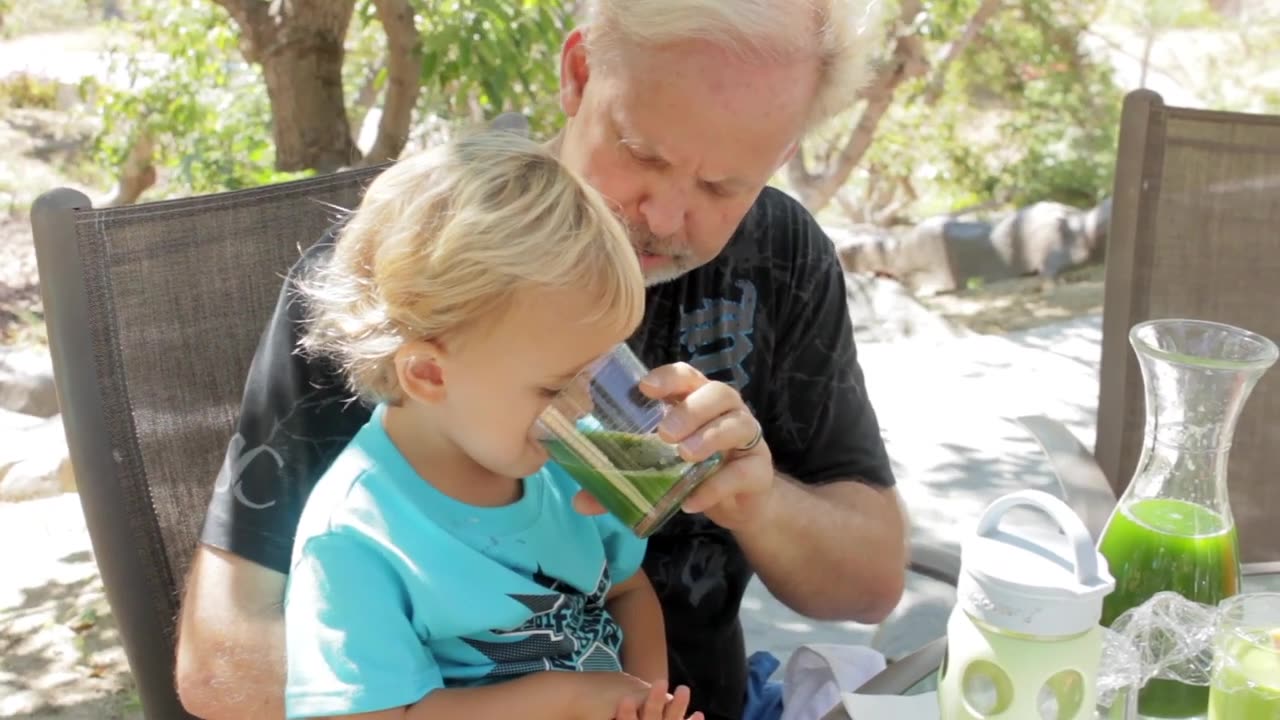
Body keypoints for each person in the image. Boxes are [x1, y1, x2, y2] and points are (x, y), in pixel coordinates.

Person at [176, 1, 910, 718]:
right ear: (580, 73)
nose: (663, 218)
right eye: (642, 152)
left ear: (781, 157)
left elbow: (870, 588)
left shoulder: (779, 255)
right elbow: (223, 666)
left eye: (723, 186)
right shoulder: (406, 298)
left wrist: (759, 501)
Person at [280, 131, 700, 720]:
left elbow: (627, 590)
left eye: (598, 373)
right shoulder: (356, 539)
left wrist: (644, 697)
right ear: (429, 373)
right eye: (555, 387)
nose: (584, 407)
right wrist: (564, 699)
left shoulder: (563, 469)